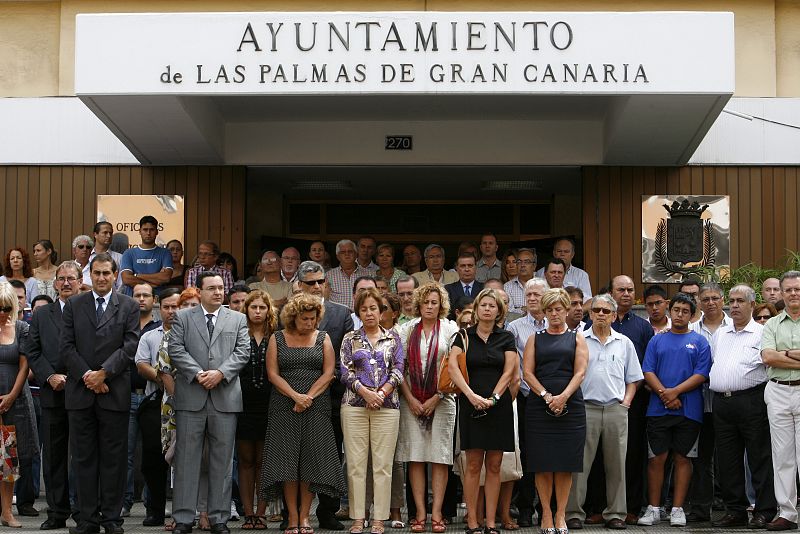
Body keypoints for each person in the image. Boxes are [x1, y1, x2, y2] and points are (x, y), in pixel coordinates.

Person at [61, 252, 140, 534]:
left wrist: (104, 373)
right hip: (81, 394)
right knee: (82, 460)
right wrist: (88, 376)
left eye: (107, 273)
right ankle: (87, 520)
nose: (102, 278)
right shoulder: (73, 305)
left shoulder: (129, 306)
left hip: (114, 392)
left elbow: (130, 346)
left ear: (115, 275)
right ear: (89, 275)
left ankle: (111, 519)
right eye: (97, 273)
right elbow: (66, 347)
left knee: (114, 460)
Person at [168, 271, 250, 534]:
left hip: (225, 397)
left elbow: (242, 351)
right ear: (199, 291)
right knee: (186, 461)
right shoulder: (182, 317)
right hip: (191, 395)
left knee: (223, 462)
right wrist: (198, 373)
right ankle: (183, 518)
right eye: (212, 288)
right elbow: (176, 349)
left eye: (220, 288)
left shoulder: (237, 318)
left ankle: (219, 518)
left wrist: (221, 373)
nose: (218, 292)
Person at [259, 293, 347, 534]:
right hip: (283, 404)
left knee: (310, 461)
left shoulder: (323, 337)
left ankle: (306, 517)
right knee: (288, 462)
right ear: (293, 317)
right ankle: (293, 516)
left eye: (312, 318)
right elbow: (273, 374)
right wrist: (295, 396)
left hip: (316, 405)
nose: (309, 323)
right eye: (304, 319)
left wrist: (307, 397)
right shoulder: (278, 337)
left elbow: (329, 372)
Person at [565, 294, 643, 531]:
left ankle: (616, 513)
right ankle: (573, 513)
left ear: (614, 315)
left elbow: (634, 378)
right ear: (590, 314)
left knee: (617, 464)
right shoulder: (578, 340)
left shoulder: (624, 343)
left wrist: (626, 402)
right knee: (579, 465)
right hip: (584, 407)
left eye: (606, 311)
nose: (600, 314)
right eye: (596, 310)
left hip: (615, 409)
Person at [637, 293, 711, 528]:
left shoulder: (700, 342)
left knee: (683, 458)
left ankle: (678, 509)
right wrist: (665, 394)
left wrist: (675, 392)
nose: (680, 314)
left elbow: (701, 374)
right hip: (659, 410)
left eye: (685, 311)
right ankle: (654, 508)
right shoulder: (657, 340)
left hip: (689, 411)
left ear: (692, 315)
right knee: (656, 459)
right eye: (676, 309)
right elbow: (647, 370)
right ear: (670, 311)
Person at [448, 288, 518, 534]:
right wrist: (470, 395)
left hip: (498, 406)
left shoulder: (507, 337)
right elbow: (453, 368)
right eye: (483, 305)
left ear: (499, 310)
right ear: (476, 309)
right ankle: (472, 521)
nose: (487, 309)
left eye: (492, 305)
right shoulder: (462, 336)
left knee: (496, 465)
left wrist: (494, 398)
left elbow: (509, 371)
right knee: (473, 464)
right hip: (470, 403)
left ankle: (490, 522)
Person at [708, 285, 776, 529]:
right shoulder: (721, 334)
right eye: (732, 301)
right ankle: (735, 510)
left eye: (740, 301)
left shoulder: (763, 333)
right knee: (727, 460)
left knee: (759, 457)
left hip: (752, 400)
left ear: (751, 304)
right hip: (722, 403)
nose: (734, 305)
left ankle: (765, 510)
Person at [522, 288, 588, 534]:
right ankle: (546, 515)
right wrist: (548, 396)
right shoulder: (535, 338)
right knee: (542, 463)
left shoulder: (577, 338)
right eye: (549, 310)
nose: (554, 314)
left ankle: (561, 514)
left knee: (564, 464)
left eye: (558, 309)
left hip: (571, 406)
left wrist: (563, 397)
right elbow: (527, 373)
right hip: (540, 407)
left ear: (566, 309)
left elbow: (580, 372)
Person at [340, 287, 405, 534]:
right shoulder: (350, 338)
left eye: (373, 309)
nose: (369, 313)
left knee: (382, 465)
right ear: (358, 312)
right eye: (364, 309)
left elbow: (399, 369)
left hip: (387, 407)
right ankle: (358, 518)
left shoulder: (394, 338)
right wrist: (366, 393)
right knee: (356, 464)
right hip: (354, 406)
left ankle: (379, 518)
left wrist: (381, 393)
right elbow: (345, 371)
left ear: (381, 312)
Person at [396, 283, 459, 534]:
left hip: (443, 400)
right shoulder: (406, 329)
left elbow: (456, 366)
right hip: (411, 399)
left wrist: (437, 396)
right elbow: (398, 367)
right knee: (416, 457)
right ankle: (420, 513)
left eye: (434, 302)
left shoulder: (451, 328)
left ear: (440, 304)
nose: (430, 306)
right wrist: (410, 398)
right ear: (419, 304)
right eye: (426, 302)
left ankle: (437, 514)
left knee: (440, 457)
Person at [296, 260, 353, 531]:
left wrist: (324, 383)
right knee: (294, 455)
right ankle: (293, 512)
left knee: (329, 455)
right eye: (311, 282)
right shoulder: (287, 312)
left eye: (321, 281)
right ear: (299, 285)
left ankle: (328, 511)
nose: (317, 286)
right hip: (294, 395)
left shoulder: (342, 314)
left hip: (330, 395)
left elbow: (347, 358)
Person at [26, 261, 81, 530]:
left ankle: (84, 511)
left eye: (72, 278)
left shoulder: (89, 311)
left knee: (83, 456)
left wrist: (77, 376)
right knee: (54, 457)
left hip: (83, 392)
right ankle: (57, 513)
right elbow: (33, 351)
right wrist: (49, 376)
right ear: (55, 282)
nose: (66, 283)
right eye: (61, 278)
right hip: (52, 395)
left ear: (81, 281)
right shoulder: (42, 314)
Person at [608, 275, 655, 524]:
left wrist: (632, 393)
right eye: (621, 290)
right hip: (601, 399)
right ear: (610, 292)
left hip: (634, 401)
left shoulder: (643, 327)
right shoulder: (597, 320)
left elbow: (646, 366)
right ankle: (599, 506)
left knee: (632, 454)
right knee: (600, 456)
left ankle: (631, 507)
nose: (626, 294)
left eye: (630, 290)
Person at [134, 287, 182, 528]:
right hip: (155, 403)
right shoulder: (149, 336)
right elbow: (141, 364)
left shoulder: (191, 334)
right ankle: (155, 510)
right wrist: (163, 378)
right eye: (167, 307)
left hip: (186, 404)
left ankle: (184, 511)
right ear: (159, 308)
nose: (172, 311)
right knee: (153, 459)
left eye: (176, 306)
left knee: (184, 458)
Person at [686, 283, 730, 523]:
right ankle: (701, 508)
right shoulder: (690, 330)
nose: (711, 302)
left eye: (715, 298)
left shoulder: (735, 328)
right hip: (699, 402)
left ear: (723, 300)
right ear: (699, 302)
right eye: (706, 298)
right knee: (701, 458)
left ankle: (735, 508)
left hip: (728, 401)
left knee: (730, 456)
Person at [233, 290, 278, 531]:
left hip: (271, 403)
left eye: (262, 307)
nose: (258, 311)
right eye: (254, 307)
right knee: (245, 459)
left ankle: (262, 513)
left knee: (264, 460)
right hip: (242, 404)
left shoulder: (276, 335)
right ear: (247, 310)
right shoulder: (238, 334)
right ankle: (247, 513)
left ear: (268, 310)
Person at [506, 278, 549, 527]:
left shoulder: (557, 325)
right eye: (528, 294)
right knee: (524, 454)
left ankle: (549, 508)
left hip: (552, 398)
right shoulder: (515, 327)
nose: (532, 298)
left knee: (547, 454)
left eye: (536, 294)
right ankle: (524, 507)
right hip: (524, 398)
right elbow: (513, 367)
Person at [761, 271, 800, 531]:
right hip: (777, 391)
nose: (794, 294)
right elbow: (768, 358)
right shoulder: (771, 324)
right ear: (782, 293)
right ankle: (787, 513)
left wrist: (781, 353)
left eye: (798, 289)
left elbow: (776, 355)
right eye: (789, 290)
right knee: (782, 456)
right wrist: (791, 354)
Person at [0, 282, 39, 528]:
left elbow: (26, 365)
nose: (2, 312)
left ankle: (7, 512)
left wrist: (12, 396)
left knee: (9, 461)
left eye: (5, 307)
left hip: (16, 400)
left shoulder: (22, 327)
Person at [123, 282, 162, 517]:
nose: (141, 299)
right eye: (136, 295)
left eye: (145, 295)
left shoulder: (161, 328)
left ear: (154, 299)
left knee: (153, 452)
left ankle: (151, 503)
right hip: (126, 396)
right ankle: (124, 502)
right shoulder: (124, 326)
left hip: (152, 396)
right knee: (124, 453)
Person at [119, 216, 174, 296]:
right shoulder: (129, 253)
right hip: (133, 300)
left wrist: (137, 275)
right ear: (140, 231)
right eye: (145, 230)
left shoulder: (165, 253)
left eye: (152, 230)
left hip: (157, 301)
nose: (148, 233)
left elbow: (165, 278)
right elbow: (127, 279)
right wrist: (152, 283)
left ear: (157, 232)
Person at [535, 238, 592, 304]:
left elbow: (589, 301)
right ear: (554, 253)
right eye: (559, 251)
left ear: (572, 254)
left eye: (566, 251)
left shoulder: (581, 275)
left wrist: (572, 312)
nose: (562, 254)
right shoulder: (540, 273)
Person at [327, 240, 373, 311]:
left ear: (356, 254)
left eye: (350, 251)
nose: (347, 254)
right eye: (343, 252)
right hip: (338, 318)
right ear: (338, 256)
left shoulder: (368, 274)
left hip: (362, 316)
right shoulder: (329, 275)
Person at [504, 248, 537, 315]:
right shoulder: (507, 286)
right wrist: (532, 310)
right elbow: (509, 313)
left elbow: (544, 309)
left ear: (534, 266)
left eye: (526, 262)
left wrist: (520, 309)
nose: (522, 265)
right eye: (519, 262)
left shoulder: (542, 285)